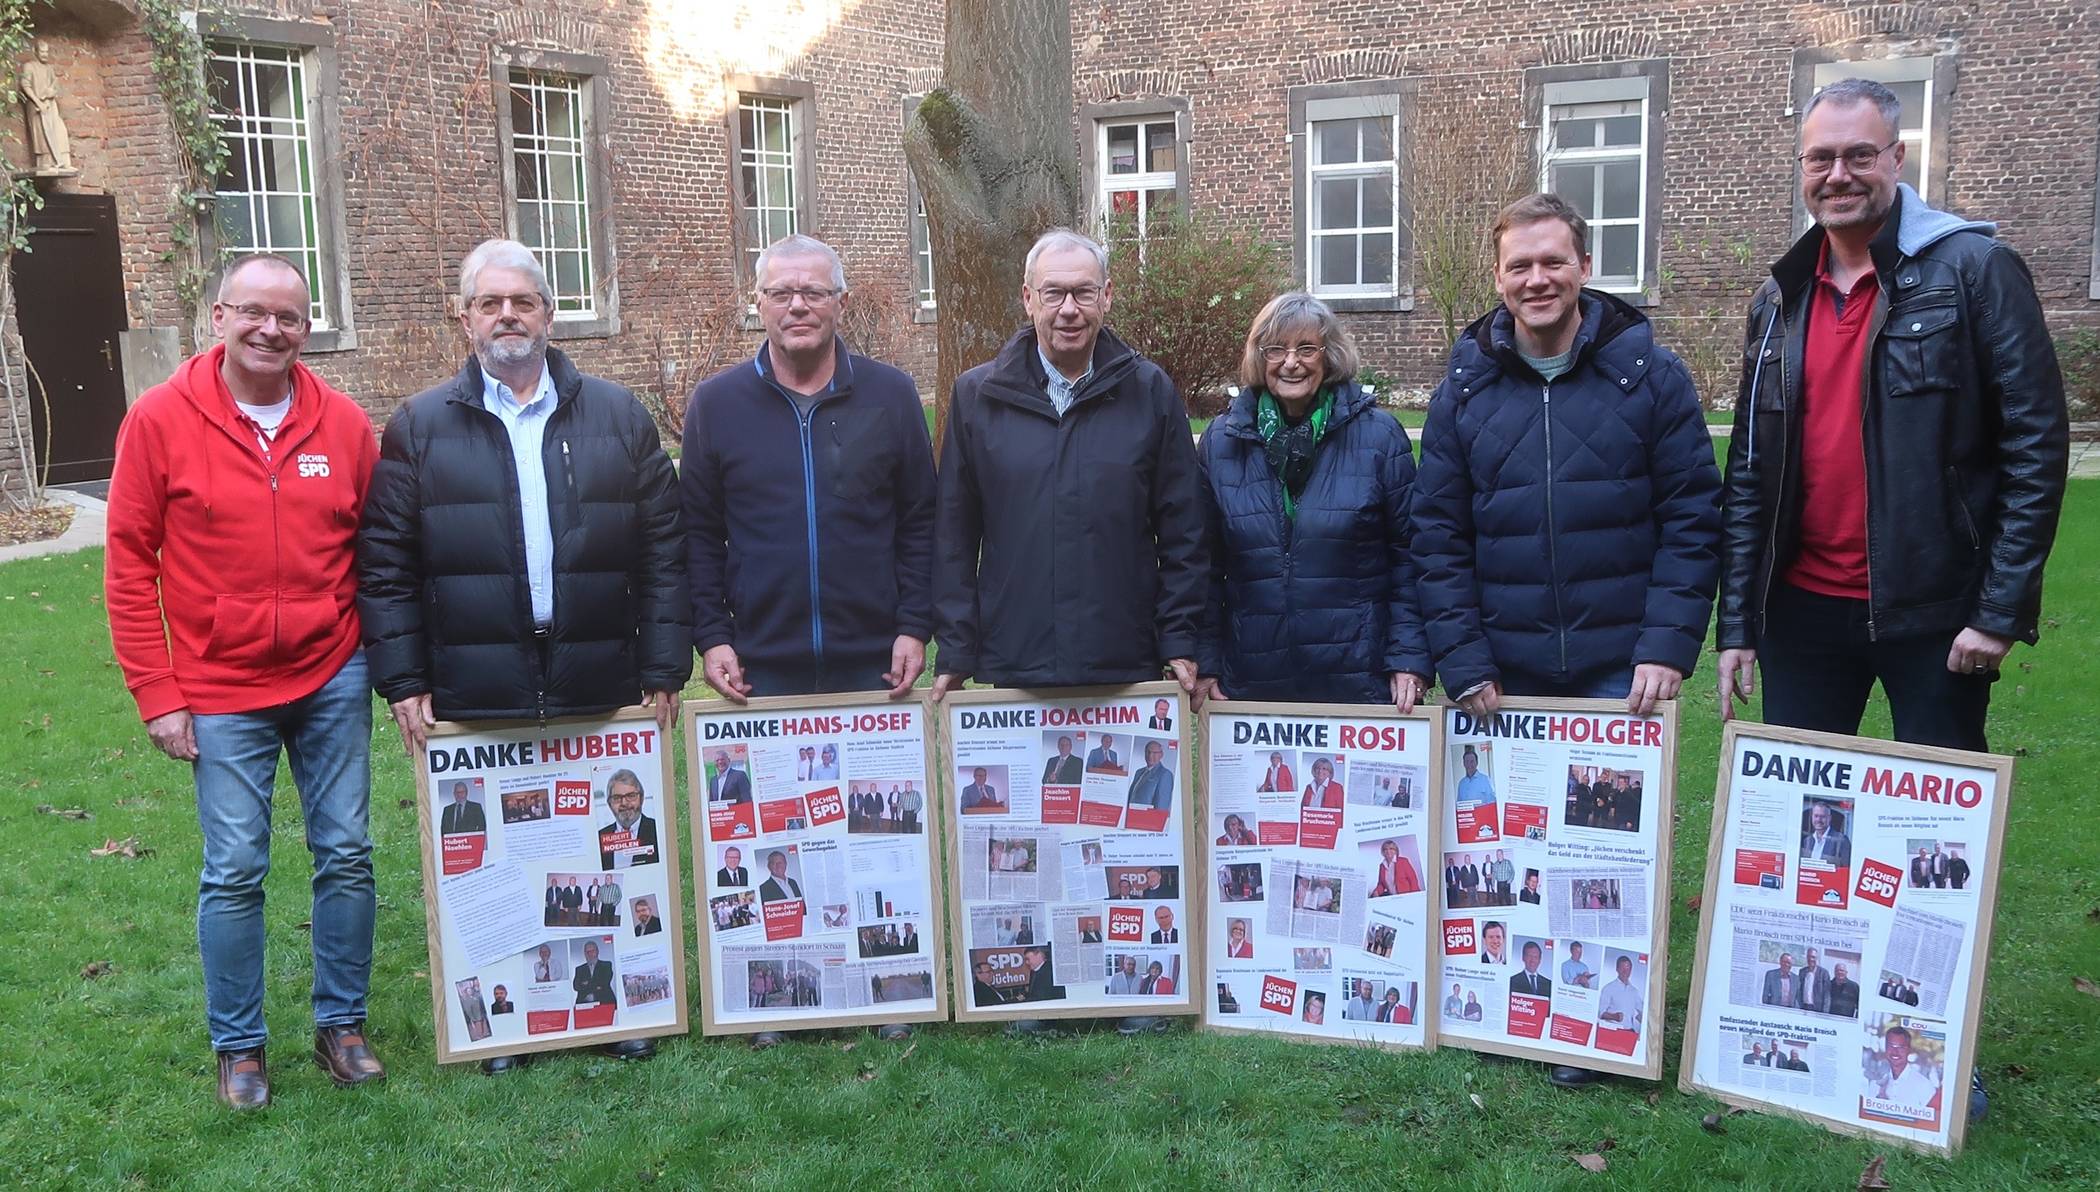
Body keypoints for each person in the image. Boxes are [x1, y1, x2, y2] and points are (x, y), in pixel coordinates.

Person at [358, 240, 690, 1070]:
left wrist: (663, 664)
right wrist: (402, 680)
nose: (507, 316)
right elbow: (387, 565)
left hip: (596, 669)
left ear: (549, 312)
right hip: (478, 676)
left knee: (596, 850)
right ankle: (501, 1026)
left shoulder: (618, 416)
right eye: (489, 302)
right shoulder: (421, 426)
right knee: (495, 861)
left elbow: (663, 552)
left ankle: (616, 1008)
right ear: (465, 317)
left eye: (524, 301)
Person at [1716, 78, 2067, 760]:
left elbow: (2036, 450)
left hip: (1938, 612)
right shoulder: (1777, 298)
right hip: (1802, 611)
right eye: (1820, 159)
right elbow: (1752, 469)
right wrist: (1738, 624)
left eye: (1859, 156)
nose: (1837, 175)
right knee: (1795, 827)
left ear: (1896, 159)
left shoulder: (1976, 270)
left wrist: (1997, 613)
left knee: (1935, 829)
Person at [106, 253, 386, 1110]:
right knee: (233, 869)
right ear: (219, 316)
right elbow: (127, 563)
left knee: (346, 853)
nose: (272, 330)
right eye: (254, 312)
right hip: (220, 687)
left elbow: (377, 554)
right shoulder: (159, 420)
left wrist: (382, 661)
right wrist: (158, 692)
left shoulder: (343, 425)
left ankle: (341, 1027)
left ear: (309, 329)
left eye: (290, 318)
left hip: (331, 670)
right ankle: (240, 1048)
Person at [1413, 187, 1721, 862]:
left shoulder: (1652, 378)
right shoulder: (1462, 393)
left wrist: (1668, 645)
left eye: (1553, 262)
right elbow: (1437, 538)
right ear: (1498, 277)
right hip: (1501, 674)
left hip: (1620, 671)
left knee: (1608, 858)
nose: (1537, 279)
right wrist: (1461, 659)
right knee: (1503, 860)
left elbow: (1693, 517)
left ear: (1585, 264)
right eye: (1519, 266)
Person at [931, 225, 1206, 719]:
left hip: (1123, 658)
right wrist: (955, 647)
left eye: (1083, 292)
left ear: (1107, 296)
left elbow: (1184, 529)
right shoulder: (977, 397)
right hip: (1018, 656)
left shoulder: (1150, 392)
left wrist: (1179, 636)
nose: (1069, 309)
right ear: (1028, 299)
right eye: (1053, 292)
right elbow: (954, 534)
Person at [685, 233, 933, 705]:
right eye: (780, 293)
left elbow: (921, 519)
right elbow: (698, 533)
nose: (797, 306)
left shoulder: (891, 396)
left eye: (814, 293)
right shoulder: (716, 405)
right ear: (758, 303)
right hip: (758, 669)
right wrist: (713, 635)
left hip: (876, 663)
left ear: (842, 303)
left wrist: (914, 626)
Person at [1193, 292, 1430, 708]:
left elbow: (1410, 555)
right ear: (1258, 357)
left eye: (1306, 348)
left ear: (1330, 355)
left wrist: (1408, 656)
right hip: (1252, 682)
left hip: (1358, 675)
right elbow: (1205, 565)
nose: (1291, 362)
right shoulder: (1221, 441)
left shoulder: (1379, 437)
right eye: (1276, 349)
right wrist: (1208, 659)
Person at [597, 769, 659, 869]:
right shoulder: (599, 838)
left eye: (631, 796)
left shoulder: (657, 830)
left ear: (642, 798)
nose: (624, 803)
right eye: (617, 798)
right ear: (609, 804)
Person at [1874, 1025, 1939, 1113]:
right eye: (1891, 1046)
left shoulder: (1924, 1085)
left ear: (1909, 1050)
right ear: (1885, 1048)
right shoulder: (1876, 1082)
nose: (1895, 1052)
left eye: (1900, 1047)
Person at [1597, 955, 1642, 1034]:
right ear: (1617, 969)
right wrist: (1614, 1017)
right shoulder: (1608, 988)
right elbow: (1600, 1013)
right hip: (1612, 1031)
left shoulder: (1634, 991)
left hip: (1630, 1031)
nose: (1625, 971)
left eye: (1628, 968)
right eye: (1622, 968)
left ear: (1631, 970)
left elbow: (1642, 1011)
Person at [1127, 740, 1174, 812]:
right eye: (1148, 752)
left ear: (1161, 755)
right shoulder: (1138, 772)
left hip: (1145, 820)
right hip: (1129, 816)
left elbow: (1161, 809)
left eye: (1154, 753)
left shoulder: (1165, 775)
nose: (1150, 755)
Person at [1801, 800, 1852, 867]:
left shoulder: (1841, 840)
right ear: (1812, 817)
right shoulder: (1807, 841)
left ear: (1829, 818)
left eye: (1823, 817)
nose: (1819, 820)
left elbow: (1847, 869)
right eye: (1816, 816)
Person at [1798, 947, 1832, 1014]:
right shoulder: (1802, 972)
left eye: (1813, 957)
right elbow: (1799, 991)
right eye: (1809, 957)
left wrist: (1825, 1012)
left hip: (1817, 1009)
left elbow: (1827, 995)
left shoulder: (1824, 973)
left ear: (1817, 958)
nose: (1811, 959)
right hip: (1804, 1008)